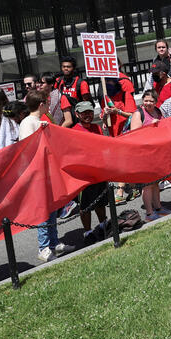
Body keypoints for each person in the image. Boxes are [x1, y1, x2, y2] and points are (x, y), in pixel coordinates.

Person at [19, 91, 76, 260]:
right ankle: (43, 248)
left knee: (52, 208)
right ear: (41, 104)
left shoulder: (39, 121)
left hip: (48, 170)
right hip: (38, 173)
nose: (49, 106)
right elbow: (27, 148)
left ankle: (53, 242)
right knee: (43, 210)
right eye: (47, 103)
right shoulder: (28, 122)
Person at [128, 90, 170, 220]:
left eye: (151, 101)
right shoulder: (138, 114)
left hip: (156, 152)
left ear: (156, 102)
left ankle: (158, 208)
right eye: (146, 100)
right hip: (143, 154)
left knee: (156, 183)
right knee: (147, 185)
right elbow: (134, 135)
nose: (148, 103)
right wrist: (150, 127)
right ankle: (149, 213)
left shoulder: (158, 111)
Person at [70, 101, 109, 239]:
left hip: (99, 173)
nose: (88, 115)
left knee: (100, 201)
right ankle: (88, 232)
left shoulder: (97, 127)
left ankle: (103, 224)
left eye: (90, 112)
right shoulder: (73, 131)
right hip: (84, 176)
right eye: (84, 113)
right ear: (77, 114)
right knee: (85, 205)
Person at [55, 57, 91, 127]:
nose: (66, 69)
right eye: (64, 67)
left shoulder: (81, 83)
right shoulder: (58, 81)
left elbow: (86, 103)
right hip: (63, 119)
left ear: (73, 68)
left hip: (78, 121)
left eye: (68, 67)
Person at [100, 72, 137, 136]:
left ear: (115, 82)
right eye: (106, 81)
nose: (107, 83)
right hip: (114, 135)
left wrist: (118, 111)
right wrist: (105, 115)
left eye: (109, 81)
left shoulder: (125, 95)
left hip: (126, 133)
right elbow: (105, 121)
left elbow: (133, 115)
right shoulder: (105, 99)